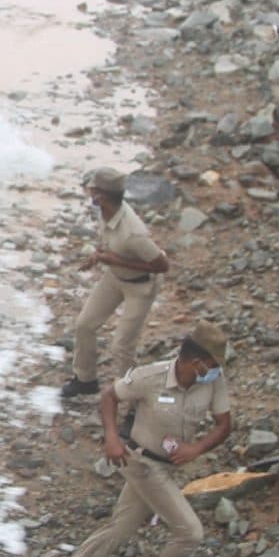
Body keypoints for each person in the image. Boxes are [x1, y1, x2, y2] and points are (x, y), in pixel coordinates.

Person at [44, 322, 235, 557]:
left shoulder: (213, 380)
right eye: (211, 364)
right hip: (141, 463)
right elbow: (109, 396)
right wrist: (111, 438)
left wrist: (195, 449)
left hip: (167, 468)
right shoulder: (151, 377)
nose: (215, 371)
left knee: (119, 530)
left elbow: (224, 425)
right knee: (190, 532)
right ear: (195, 361)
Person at [60, 168, 168, 401]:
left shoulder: (133, 233)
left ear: (101, 197)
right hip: (115, 277)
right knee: (85, 324)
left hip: (141, 286)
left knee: (121, 347)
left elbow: (162, 265)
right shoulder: (106, 211)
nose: (89, 193)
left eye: (92, 190)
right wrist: (98, 257)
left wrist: (114, 260)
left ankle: (136, 401)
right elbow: (109, 241)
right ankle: (85, 379)